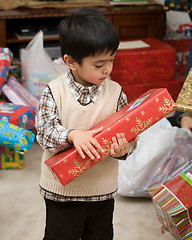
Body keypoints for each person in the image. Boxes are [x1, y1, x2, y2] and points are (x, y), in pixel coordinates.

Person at [36, 7, 138, 240]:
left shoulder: (116, 93)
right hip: (61, 192)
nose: (108, 69)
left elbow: (129, 134)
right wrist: (73, 135)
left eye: (112, 60)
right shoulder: (54, 91)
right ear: (71, 62)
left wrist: (125, 149)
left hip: (102, 192)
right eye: (99, 64)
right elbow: (44, 134)